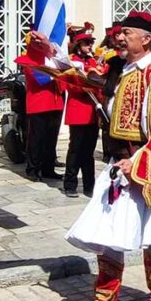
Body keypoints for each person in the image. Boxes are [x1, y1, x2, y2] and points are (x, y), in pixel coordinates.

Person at [65, 10, 151, 301]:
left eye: (126, 33)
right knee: (109, 234)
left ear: (146, 38)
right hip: (119, 164)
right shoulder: (119, 70)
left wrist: (142, 161)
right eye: (119, 33)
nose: (118, 37)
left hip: (146, 164)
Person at [61, 24, 102, 198]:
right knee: (75, 149)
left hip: (92, 111)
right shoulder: (71, 61)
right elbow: (67, 84)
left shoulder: (93, 61)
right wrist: (83, 85)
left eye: (90, 43)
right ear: (78, 45)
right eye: (86, 43)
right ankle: (70, 184)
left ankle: (89, 185)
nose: (89, 46)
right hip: (78, 111)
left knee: (89, 151)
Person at [21, 30, 65, 180]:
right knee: (36, 139)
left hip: (56, 103)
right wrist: (55, 67)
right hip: (38, 105)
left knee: (51, 139)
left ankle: (48, 168)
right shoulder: (26, 60)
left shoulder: (51, 59)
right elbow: (41, 78)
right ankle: (32, 169)